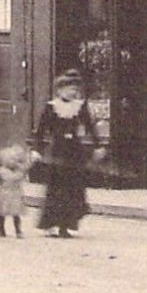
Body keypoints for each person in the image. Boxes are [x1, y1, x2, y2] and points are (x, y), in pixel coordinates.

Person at [33, 70, 102, 238]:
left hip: (74, 151)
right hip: (58, 151)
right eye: (70, 88)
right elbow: (41, 131)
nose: (73, 92)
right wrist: (37, 149)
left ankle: (66, 225)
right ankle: (52, 224)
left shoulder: (79, 106)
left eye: (75, 89)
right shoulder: (51, 107)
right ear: (60, 90)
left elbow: (90, 127)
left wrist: (97, 146)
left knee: (72, 189)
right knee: (57, 189)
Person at [0, 144, 31, 239]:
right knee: (2, 213)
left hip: (16, 194)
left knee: (16, 214)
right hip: (4, 194)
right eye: (11, 159)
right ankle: (1, 228)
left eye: (16, 160)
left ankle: (18, 230)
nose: (13, 162)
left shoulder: (20, 171)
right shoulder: (0, 171)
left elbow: (26, 169)